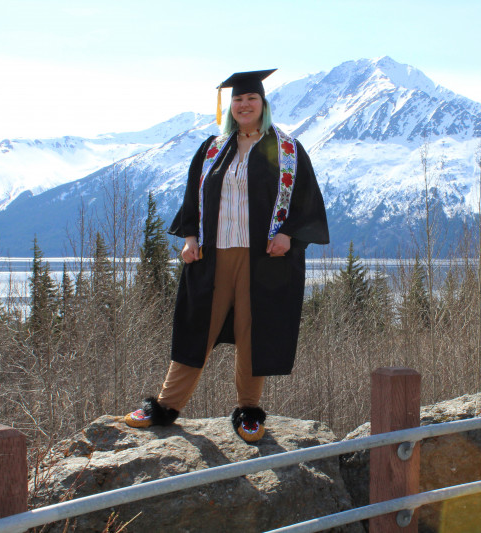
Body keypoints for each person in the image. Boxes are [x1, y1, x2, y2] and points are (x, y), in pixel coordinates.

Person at [124, 69, 329, 443]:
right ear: (230, 107)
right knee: (195, 328)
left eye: (251, 99)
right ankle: (166, 406)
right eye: (238, 100)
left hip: (264, 261)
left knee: (255, 332)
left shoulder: (287, 150)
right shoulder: (212, 149)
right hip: (211, 258)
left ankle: (249, 411)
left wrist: (288, 234)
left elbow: (308, 204)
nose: (244, 105)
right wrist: (189, 237)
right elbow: (192, 197)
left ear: (263, 105)